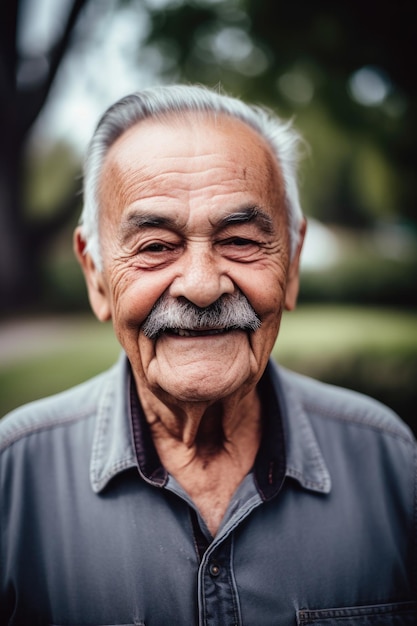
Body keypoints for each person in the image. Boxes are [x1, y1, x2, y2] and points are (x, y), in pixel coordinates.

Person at [0, 84, 416, 626]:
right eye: (155, 247)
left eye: (241, 240)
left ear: (291, 265)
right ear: (96, 276)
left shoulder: (390, 464)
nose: (201, 286)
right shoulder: (13, 479)